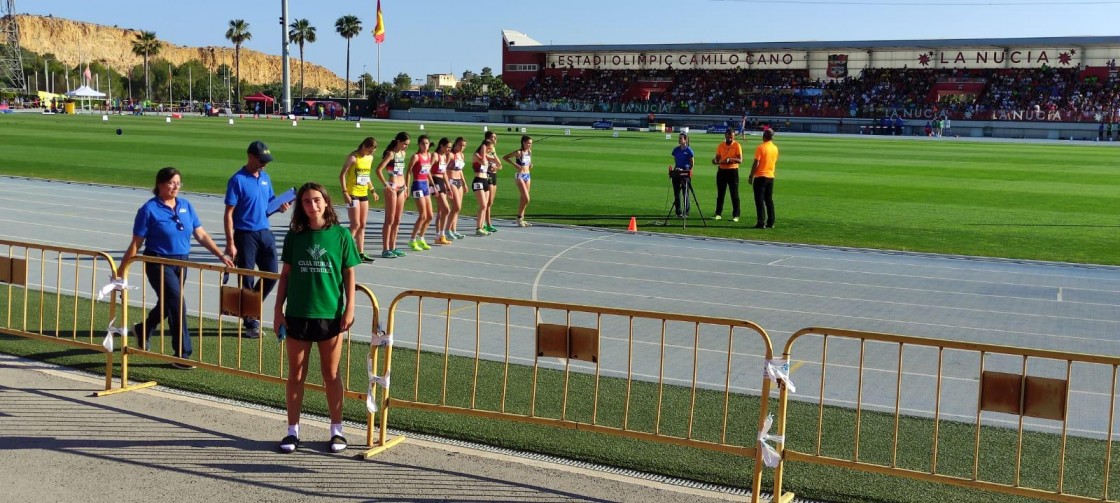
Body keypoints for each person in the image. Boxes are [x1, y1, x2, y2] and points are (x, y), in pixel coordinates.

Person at [273, 182, 360, 454]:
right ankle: (292, 431)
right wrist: (278, 310)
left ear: (326, 202)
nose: (312, 206)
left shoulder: (341, 235)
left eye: (317, 200)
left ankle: (337, 431)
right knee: (296, 374)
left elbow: (349, 274)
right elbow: (285, 275)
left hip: (330, 315)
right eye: (307, 201)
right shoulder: (294, 236)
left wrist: (350, 308)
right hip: (298, 313)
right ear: (301, 206)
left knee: (331, 375)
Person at [121, 167, 234, 368]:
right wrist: (122, 272)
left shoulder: (186, 205)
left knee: (168, 303)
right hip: (158, 262)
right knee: (177, 303)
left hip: (181, 262)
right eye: (171, 183)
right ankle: (182, 353)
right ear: (160, 184)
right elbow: (136, 243)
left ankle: (143, 328)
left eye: (178, 183)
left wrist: (220, 254)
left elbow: (201, 235)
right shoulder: (149, 210)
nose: (175, 187)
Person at [224, 140, 290, 339]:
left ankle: (250, 307)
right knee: (247, 278)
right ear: (250, 156)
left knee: (272, 274)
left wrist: (280, 206)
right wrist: (230, 243)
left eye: (266, 161)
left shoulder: (265, 178)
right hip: (245, 235)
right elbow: (228, 213)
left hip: (265, 233)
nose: (264, 164)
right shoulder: (237, 180)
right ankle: (250, 320)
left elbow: (269, 203)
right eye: (261, 160)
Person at [338, 136, 380, 262]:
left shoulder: (370, 158)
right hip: (352, 193)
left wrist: (372, 190)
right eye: (370, 150)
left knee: (362, 224)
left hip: (363, 193)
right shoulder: (353, 157)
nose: (371, 153)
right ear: (364, 146)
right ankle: (344, 251)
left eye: (373, 151)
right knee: (355, 224)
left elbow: (366, 176)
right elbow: (342, 175)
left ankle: (360, 252)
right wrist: (345, 192)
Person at [375, 132, 411, 258]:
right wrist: (386, 185)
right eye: (404, 144)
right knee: (389, 220)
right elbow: (378, 170)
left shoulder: (403, 153)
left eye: (407, 145)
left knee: (397, 220)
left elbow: (402, 172)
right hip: (392, 187)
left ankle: (393, 247)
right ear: (398, 141)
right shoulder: (391, 154)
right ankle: (385, 249)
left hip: (401, 187)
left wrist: (406, 186)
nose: (406, 146)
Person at [406, 135, 435, 251]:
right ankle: (412, 240)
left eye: (427, 143)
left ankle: (421, 237)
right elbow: (408, 172)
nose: (425, 145)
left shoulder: (429, 156)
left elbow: (427, 172)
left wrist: (433, 185)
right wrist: (407, 188)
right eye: (423, 143)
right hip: (417, 185)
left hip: (425, 185)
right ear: (419, 144)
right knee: (422, 215)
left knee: (430, 216)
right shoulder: (416, 157)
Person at [749, 129, 779, 229]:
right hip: (770, 176)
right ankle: (771, 222)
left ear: (764, 136)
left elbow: (756, 162)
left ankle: (761, 222)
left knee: (759, 200)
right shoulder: (775, 148)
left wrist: (751, 175)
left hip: (761, 176)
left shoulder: (761, 147)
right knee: (769, 200)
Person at [502, 135, 534, 227]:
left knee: (523, 198)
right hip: (519, 176)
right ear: (523, 143)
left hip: (527, 175)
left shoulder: (529, 152)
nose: (529, 145)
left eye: (531, 143)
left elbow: (528, 163)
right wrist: (514, 164)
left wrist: (530, 165)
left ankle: (521, 219)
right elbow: (505, 157)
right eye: (528, 143)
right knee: (527, 199)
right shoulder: (518, 152)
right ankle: (519, 217)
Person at [712, 129, 743, 222]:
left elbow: (740, 160)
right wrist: (715, 161)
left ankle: (736, 215)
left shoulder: (737, 145)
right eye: (728, 136)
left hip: (733, 171)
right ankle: (718, 214)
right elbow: (717, 158)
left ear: (733, 137)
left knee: (734, 194)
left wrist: (731, 159)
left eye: (731, 137)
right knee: (720, 194)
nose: (730, 138)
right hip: (722, 171)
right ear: (725, 136)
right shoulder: (721, 145)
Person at [429, 137, 454, 245]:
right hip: (435, 181)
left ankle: (438, 236)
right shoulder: (435, 155)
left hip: (441, 182)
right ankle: (441, 235)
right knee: (446, 209)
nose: (449, 149)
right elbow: (427, 170)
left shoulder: (444, 157)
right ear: (441, 146)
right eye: (447, 147)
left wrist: (448, 188)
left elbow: (444, 173)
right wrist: (432, 185)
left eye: (450, 148)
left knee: (441, 211)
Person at [443, 137, 468, 240]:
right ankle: (447, 229)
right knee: (456, 206)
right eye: (460, 145)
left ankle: (454, 229)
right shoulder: (450, 155)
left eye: (464, 145)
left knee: (457, 209)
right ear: (456, 144)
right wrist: (446, 184)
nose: (462, 147)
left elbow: (460, 170)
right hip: (451, 181)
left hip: (459, 182)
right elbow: (443, 169)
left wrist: (464, 183)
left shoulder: (461, 155)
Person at [471, 139, 495, 235]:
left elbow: (498, 163)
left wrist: (493, 153)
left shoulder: (487, 155)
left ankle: (481, 227)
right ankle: (478, 228)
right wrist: (484, 150)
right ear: (483, 147)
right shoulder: (477, 155)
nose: (489, 150)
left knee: (484, 206)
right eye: (488, 148)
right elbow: (484, 162)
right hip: (478, 180)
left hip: (485, 181)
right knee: (483, 205)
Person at [482, 131, 503, 233]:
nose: (495, 139)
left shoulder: (493, 149)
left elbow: (499, 163)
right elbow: (484, 159)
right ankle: (486, 223)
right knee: (487, 201)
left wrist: (497, 165)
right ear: (488, 139)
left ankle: (487, 222)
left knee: (491, 202)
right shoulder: (484, 148)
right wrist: (493, 165)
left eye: (496, 137)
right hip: (487, 174)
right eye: (493, 137)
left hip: (493, 174)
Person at [669, 132, 694, 217]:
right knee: (676, 193)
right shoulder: (676, 150)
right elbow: (676, 160)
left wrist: (685, 169)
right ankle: (678, 211)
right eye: (679, 138)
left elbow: (692, 164)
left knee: (685, 193)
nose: (679, 140)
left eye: (681, 138)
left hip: (685, 174)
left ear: (685, 140)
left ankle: (686, 212)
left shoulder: (689, 150)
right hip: (677, 173)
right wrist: (676, 168)